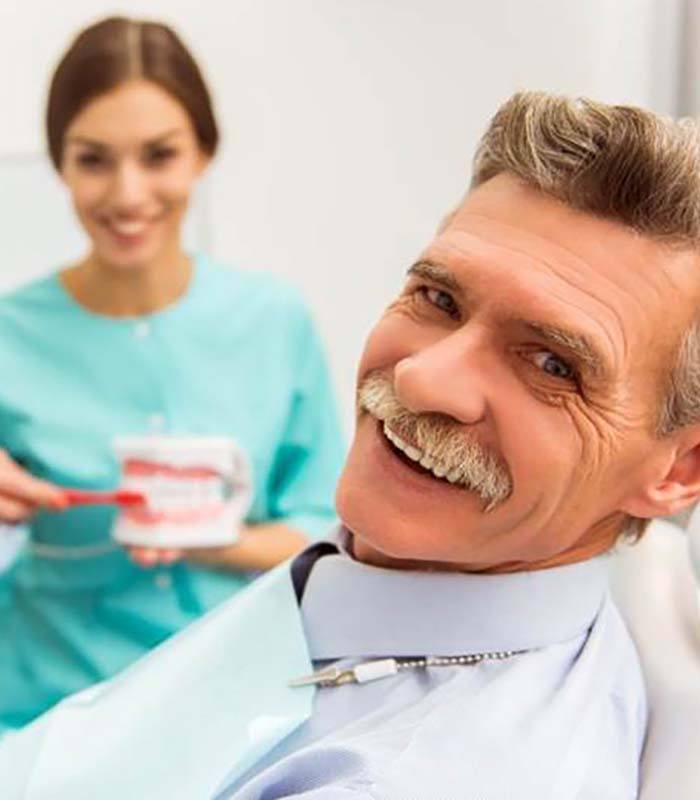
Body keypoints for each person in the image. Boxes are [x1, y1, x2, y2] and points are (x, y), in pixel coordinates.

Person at [5, 89, 700, 799]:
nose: (423, 378)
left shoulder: (406, 775)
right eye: (438, 298)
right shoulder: (385, 576)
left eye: (552, 364)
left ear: (680, 469)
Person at [0, 16, 344, 733]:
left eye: (159, 156)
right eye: (94, 160)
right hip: (39, 710)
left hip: (227, 708)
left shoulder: (273, 320)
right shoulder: (10, 333)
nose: (128, 195)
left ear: (204, 153)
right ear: (60, 164)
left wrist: (221, 540)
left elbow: (325, 529)